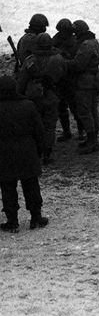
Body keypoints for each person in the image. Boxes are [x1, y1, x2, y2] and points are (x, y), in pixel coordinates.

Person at [0, 75, 47, 232]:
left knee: (7, 188)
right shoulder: (28, 105)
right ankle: (36, 218)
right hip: (27, 150)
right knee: (31, 185)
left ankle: (12, 221)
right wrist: (40, 151)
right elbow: (39, 131)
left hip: (4, 153)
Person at [15, 33, 64, 165]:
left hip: (33, 97)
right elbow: (63, 77)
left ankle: (36, 152)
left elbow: (22, 80)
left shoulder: (30, 60)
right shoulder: (58, 59)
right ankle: (47, 154)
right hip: (52, 96)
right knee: (50, 126)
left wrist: (18, 95)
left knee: (35, 125)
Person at [70, 20, 99, 155]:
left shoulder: (85, 45)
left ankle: (92, 140)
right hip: (93, 80)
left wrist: (66, 62)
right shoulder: (93, 41)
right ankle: (93, 138)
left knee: (84, 110)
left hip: (85, 81)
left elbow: (78, 64)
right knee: (92, 109)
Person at [51, 18, 79, 141]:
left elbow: (76, 59)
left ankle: (81, 131)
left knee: (75, 106)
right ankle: (66, 131)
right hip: (59, 78)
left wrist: (63, 54)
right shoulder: (55, 40)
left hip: (71, 77)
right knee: (61, 107)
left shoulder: (75, 41)